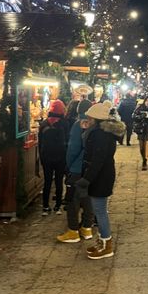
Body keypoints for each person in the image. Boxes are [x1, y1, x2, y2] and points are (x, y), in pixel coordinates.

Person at [72, 101, 126, 259]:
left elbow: (98, 160)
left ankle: (106, 245)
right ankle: (102, 241)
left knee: (100, 211)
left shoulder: (101, 135)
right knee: (99, 210)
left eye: (89, 116)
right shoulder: (100, 132)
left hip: (101, 177)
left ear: (95, 118)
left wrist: (87, 179)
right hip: (102, 175)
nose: (87, 118)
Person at [56, 100, 94, 243]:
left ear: (78, 111)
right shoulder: (95, 123)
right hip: (90, 168)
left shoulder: (79, 124)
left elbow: (73, 149)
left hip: (77, 168)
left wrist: (69, 165)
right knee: (88, 198)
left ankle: (73, 231)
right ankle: (87, 228)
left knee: (73, 200)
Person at [38, 99, 68, 215]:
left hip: (46, 157)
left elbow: (40, 143)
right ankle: (58, 206)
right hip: (60, 157)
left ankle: (45, 207)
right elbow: (67, 141)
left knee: (47, 181)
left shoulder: (44, 123)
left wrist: (41, 157)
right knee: (59, 181)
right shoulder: (64, 123)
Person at [132, 96, 148, 170]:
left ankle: (144, 161)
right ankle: (144, 159)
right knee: (141, 147)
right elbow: (133, 116)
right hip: (141, 129)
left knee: (146, 146)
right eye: (147, 100)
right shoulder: (140, 108)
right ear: (145, 101)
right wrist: (142, 116)